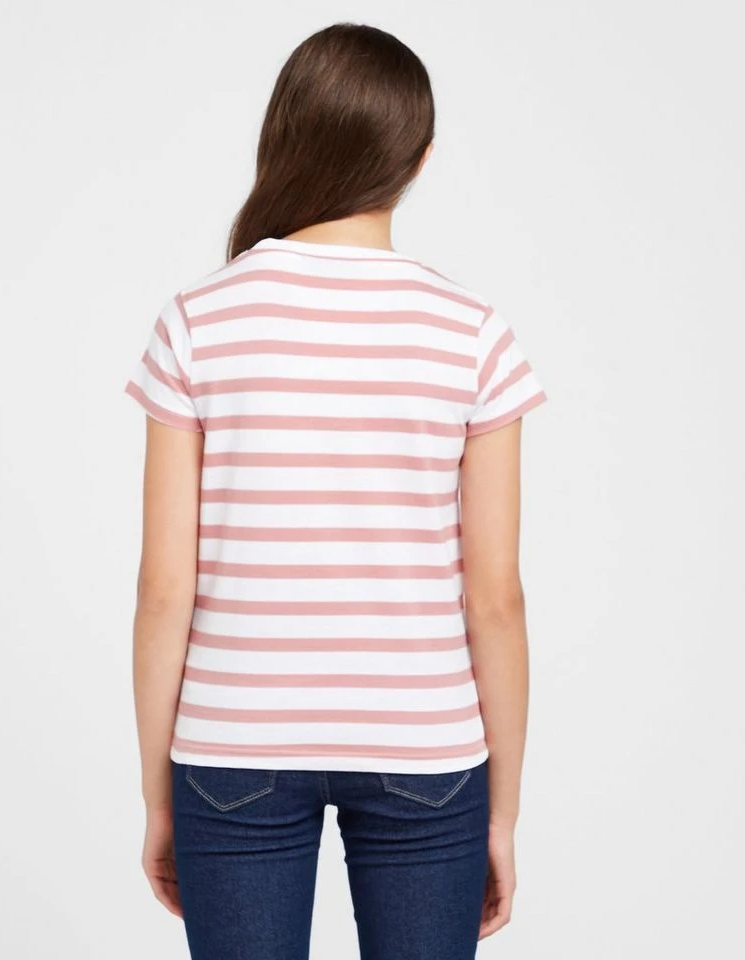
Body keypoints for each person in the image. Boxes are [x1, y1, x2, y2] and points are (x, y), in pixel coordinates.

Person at [124, 21, 547, 960]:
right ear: (420, 158)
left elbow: (162, 589)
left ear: (283, 136)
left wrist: (159, 798)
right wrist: (502, 814)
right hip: (424, 749)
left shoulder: (197, 321)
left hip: (233, 746)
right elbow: (496, 598)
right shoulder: (472, 333)